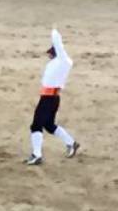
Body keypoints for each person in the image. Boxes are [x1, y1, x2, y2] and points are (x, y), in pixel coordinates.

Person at [25, 29, 80, 166]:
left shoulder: (62, 60)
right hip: (52, 98)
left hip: (48, 99)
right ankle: (71, 143)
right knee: (49, 125)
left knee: (36, 125)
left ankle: (36, 154)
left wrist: (53, 30)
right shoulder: (59, 63)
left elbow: (58, 42)